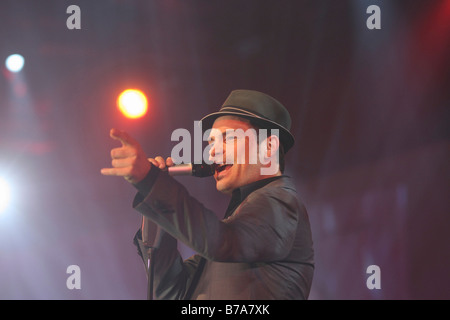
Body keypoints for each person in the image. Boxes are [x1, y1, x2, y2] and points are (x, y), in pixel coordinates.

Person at [101, 89, 314, 299]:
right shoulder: (235, 230)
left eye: (228, 138)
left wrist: (152, 183)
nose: (212, 151)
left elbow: (222, 241)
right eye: (211, 142)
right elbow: (169, 293)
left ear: (268, 147)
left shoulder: (281, 202)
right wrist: (153, 198)